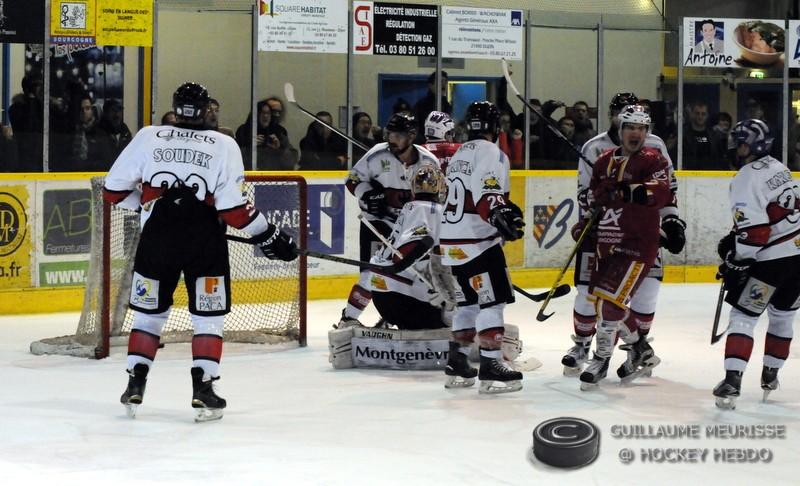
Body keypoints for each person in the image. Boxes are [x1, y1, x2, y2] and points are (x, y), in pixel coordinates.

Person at [103, 82, 297, 421]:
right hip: (204, 243)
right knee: (208, 317)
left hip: (157, 240)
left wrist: (147, 209)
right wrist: (269, 234)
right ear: (206, 109)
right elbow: (234, 210)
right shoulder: (224, 144)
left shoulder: (148, 136)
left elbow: (113, 191)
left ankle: (135, 384)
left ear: (176, 108)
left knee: (149, 315)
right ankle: (204, 390)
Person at [564, 92, 686, 380]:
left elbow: (662, 191)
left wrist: (670, 220)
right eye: (630, 126)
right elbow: (589, 195)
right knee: (597, 296)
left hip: (638, 241)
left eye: (641, 128)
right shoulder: (601, 156)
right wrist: (588, 218)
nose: (636, 133)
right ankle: (635, 349)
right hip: (607, 238)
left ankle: (601, 359)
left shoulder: (654, 156)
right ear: (618, 124)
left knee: (625, 299)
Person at [713, 119, 800, 409]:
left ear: (753, 146)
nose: (734, 148)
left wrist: (738, 262)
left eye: (740, 143)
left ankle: (732, 380)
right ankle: (771, 375)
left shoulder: (745, 177)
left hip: (771, 263)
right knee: (783, 316)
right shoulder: (778, 166)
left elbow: (756, 233)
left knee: (744, 316)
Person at [440, 101, 525, 394]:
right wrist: (499, 215)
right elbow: (487, 192)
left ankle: (457, 363)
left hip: (452, 242)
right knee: (492, 302)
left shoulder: (460, 153)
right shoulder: (491, 151)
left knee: (468, 304)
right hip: (477, 241)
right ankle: (491, 366)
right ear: (496, 127)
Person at [338, 113, 440, 328]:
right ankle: (348, 319)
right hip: (377, 222)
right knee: (371, 272)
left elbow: (437, 195)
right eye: (389, 134)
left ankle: (393, 314)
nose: (391, 139)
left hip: (409, 228)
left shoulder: (429, 162)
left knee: (413, 273)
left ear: (411, 136)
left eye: (398, 135)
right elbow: (352, 179)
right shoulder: (377, 154)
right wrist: (367, 194)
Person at [368, 164, 454, 330]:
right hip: (403, 299)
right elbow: (409, 249)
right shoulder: (430, 209)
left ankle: (392, 321)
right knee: (456, 304)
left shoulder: (409, 207)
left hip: (381, 294)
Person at [235, 99, 298, 170]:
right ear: (256, 114)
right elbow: (234, 159)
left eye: (268, 113)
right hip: (249, 174)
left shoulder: (279, 132)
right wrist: (250, 146)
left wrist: (280, 149)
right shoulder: (244, 130)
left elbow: (291, 162)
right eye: (262, 113)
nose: (265, 116)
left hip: (274, 174)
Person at [414, 71, 452, 143]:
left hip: (443, 143)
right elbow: (416, 128)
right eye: (440, 81)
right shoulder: (422, 105)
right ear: (430, 85)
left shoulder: (447, 105)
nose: (443, 84)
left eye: (445, 81)